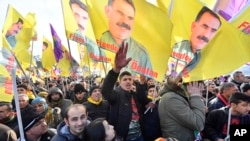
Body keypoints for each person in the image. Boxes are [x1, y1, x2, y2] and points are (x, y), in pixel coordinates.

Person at [101, 42, 150, 140]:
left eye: (130, 79)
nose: (128, 81)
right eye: (125, 79)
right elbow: (105, 91)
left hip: (139, 136)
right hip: (124, 138)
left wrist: (142, 83)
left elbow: (144, 100)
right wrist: (116, 69)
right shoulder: (116, 95)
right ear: (120, 82)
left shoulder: (134, 95)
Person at [98, 0, 152, 76]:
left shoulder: (141, 54)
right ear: (108, 11)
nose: (125, 22)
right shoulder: (98, 41)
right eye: (120, 13)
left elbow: (148, 82)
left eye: (130, 18)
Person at [167, 6, 221, 80]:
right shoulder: (177, 46)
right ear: (193, 26)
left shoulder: (197, 58)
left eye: (213, 31)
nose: (207, 34)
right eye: (204, 26)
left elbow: (180, 76)